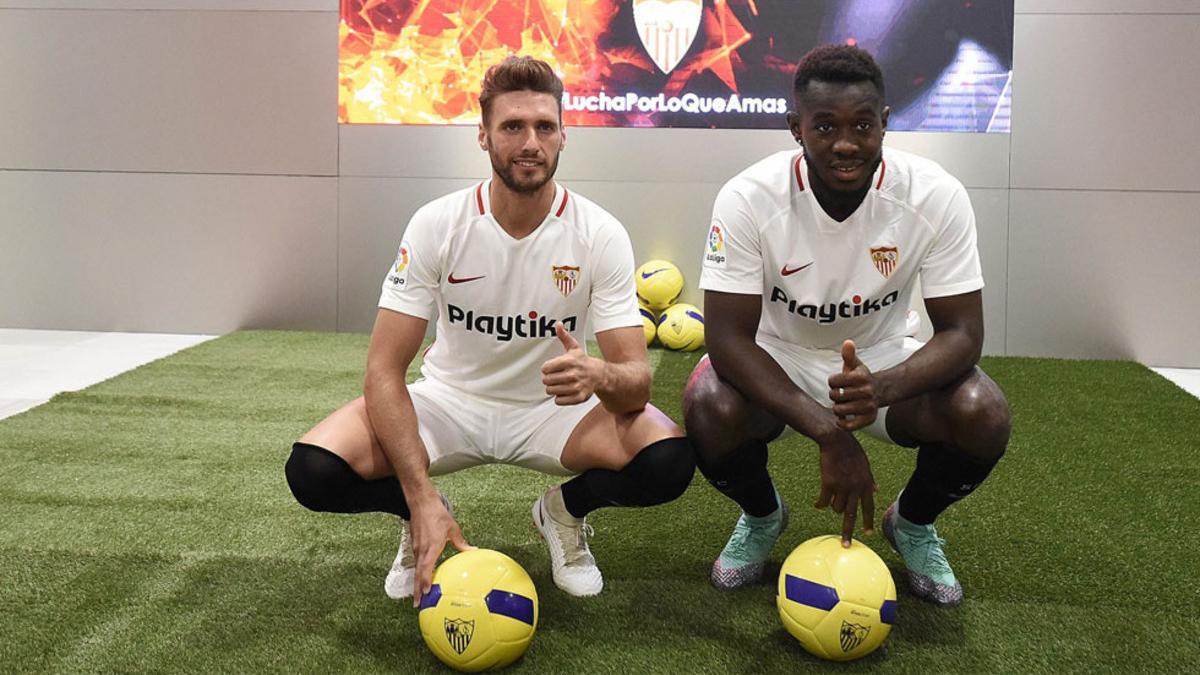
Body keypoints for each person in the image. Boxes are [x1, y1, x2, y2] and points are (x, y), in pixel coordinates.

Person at [284, 56, 694, 604]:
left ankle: (563, 513)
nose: (530, 142)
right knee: (314, 470)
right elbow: (383, 371)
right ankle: (420, 513)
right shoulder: (438, 223)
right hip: (450, 404)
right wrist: (418, 492)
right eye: (512, 127)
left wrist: (598, 373)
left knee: (668, 461)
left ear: (564, 136)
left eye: (544, 127)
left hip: (555, 414)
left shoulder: (599, 233)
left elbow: (637, 382)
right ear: (484, 136)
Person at [684, 45, 1010, 607]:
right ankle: (762, 517)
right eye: (825, 125)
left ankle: (910, 522)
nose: (845, 143)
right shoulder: (746, 198)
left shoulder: (935, 194)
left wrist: (879, 388)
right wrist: (831, 434)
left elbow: (963, 333)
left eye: (863, 124)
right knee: (707, 400)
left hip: (882, 359)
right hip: (777, 355)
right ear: (795, 128)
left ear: (885, 123)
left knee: (983, 412)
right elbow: (727, 338)